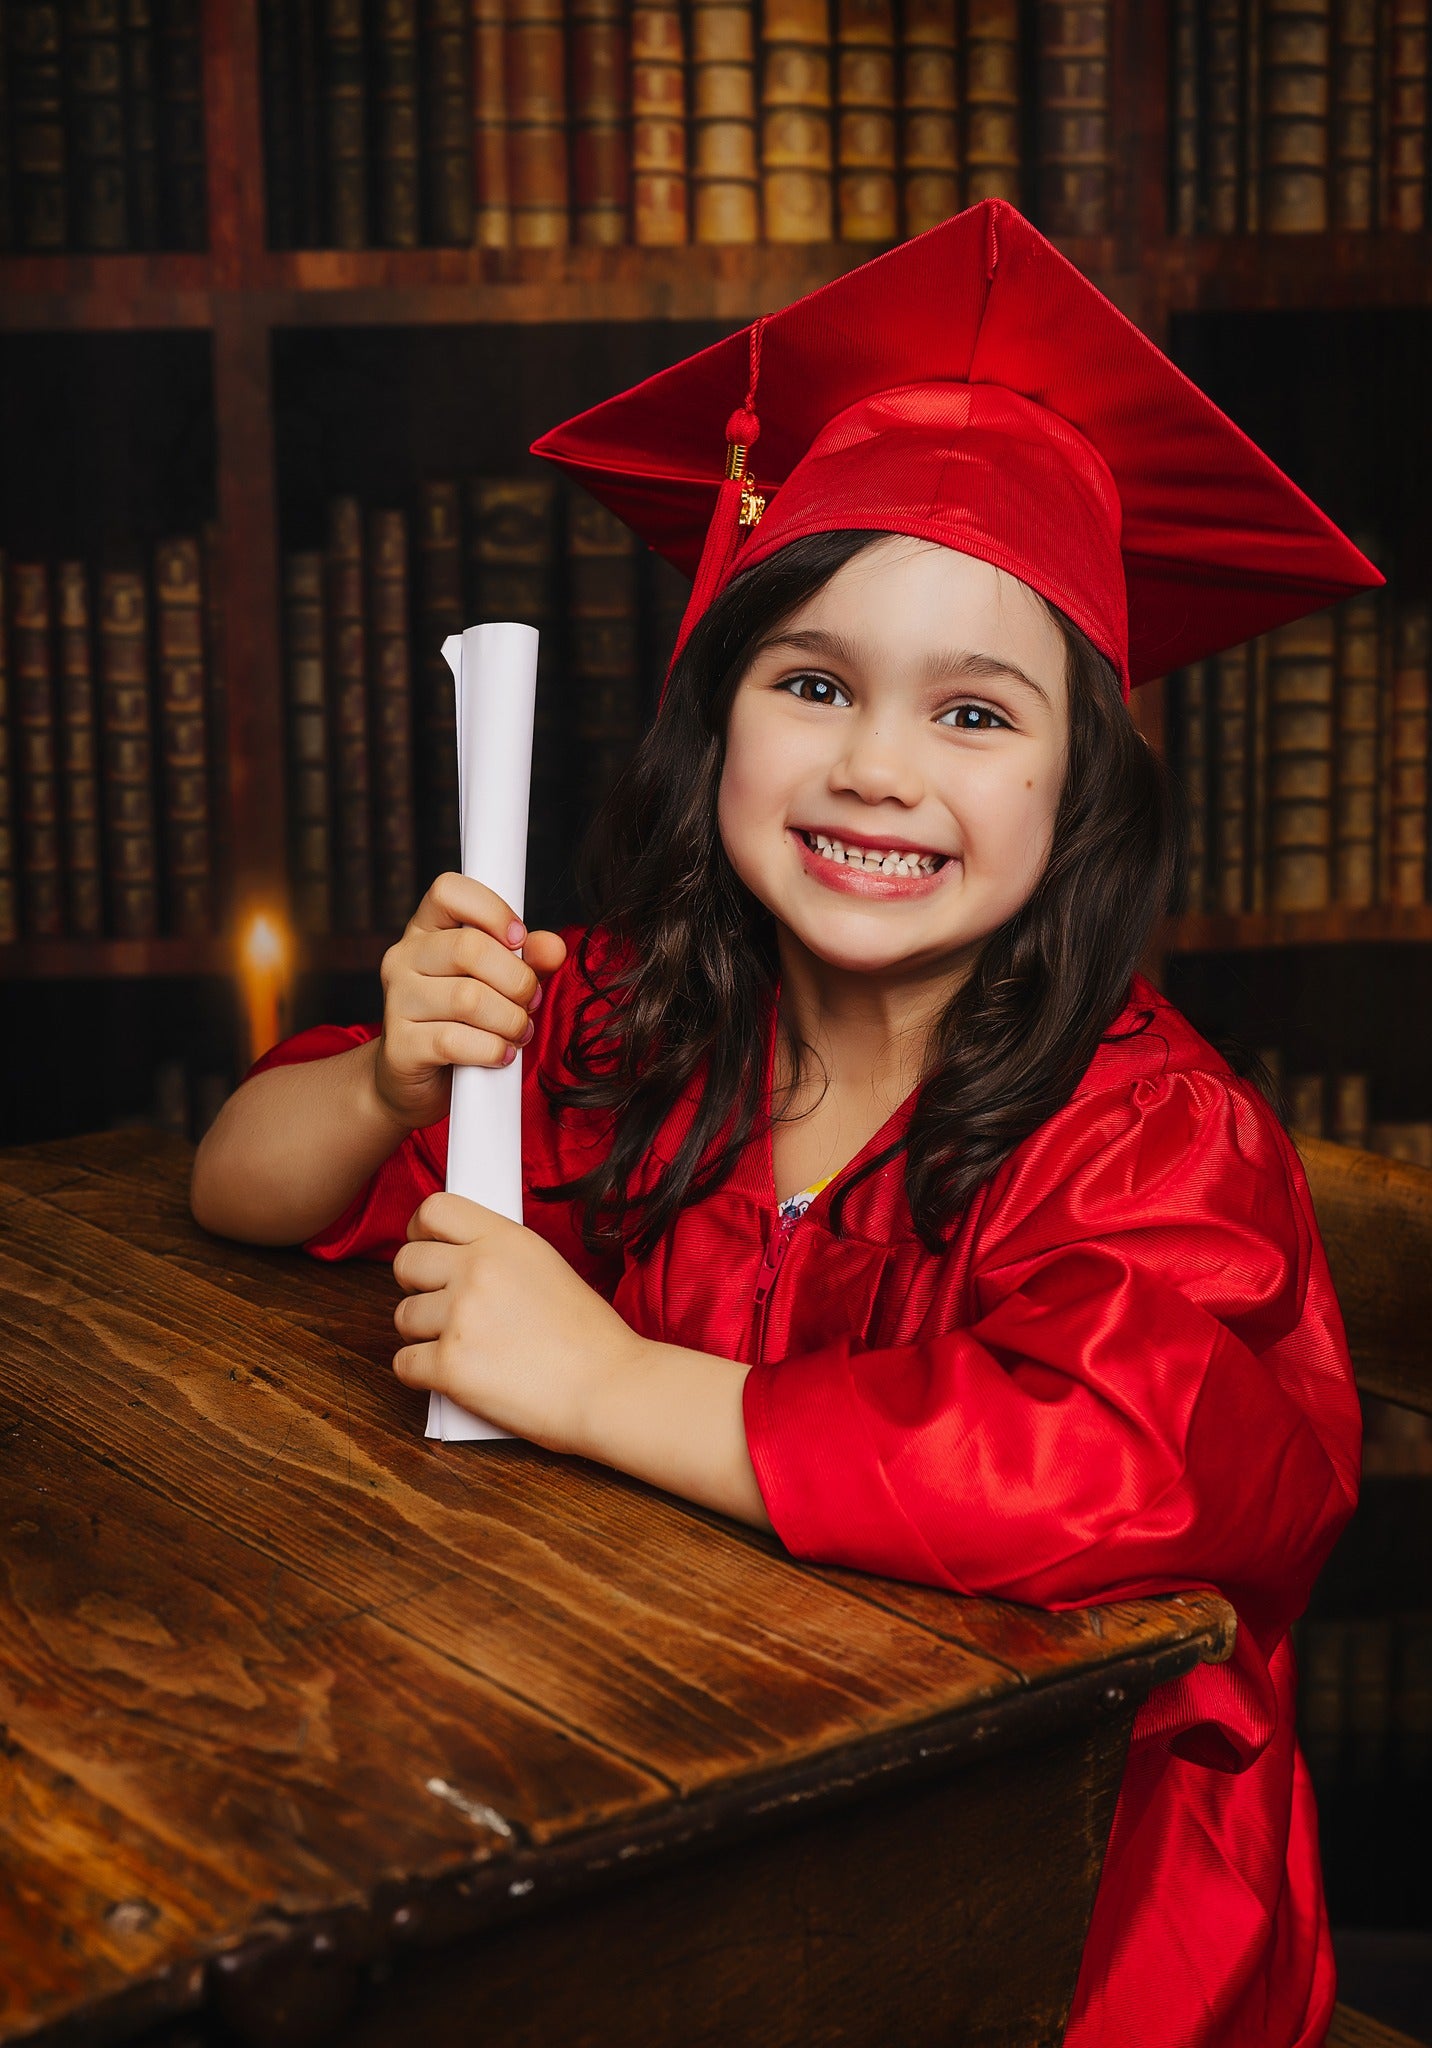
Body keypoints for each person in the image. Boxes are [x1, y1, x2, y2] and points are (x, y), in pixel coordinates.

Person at [192, 200, 1375, 2047]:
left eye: (975, 713)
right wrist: (385, 1078)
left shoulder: (1152, 1137)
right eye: (812, 683)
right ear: (714, 711)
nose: (878, 767)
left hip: (1068, 1910)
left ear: (1083, 796)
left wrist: (598, 1386)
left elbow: (1120, 1464)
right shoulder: (633, 1020)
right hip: (696, 1812)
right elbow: (243, 1187)